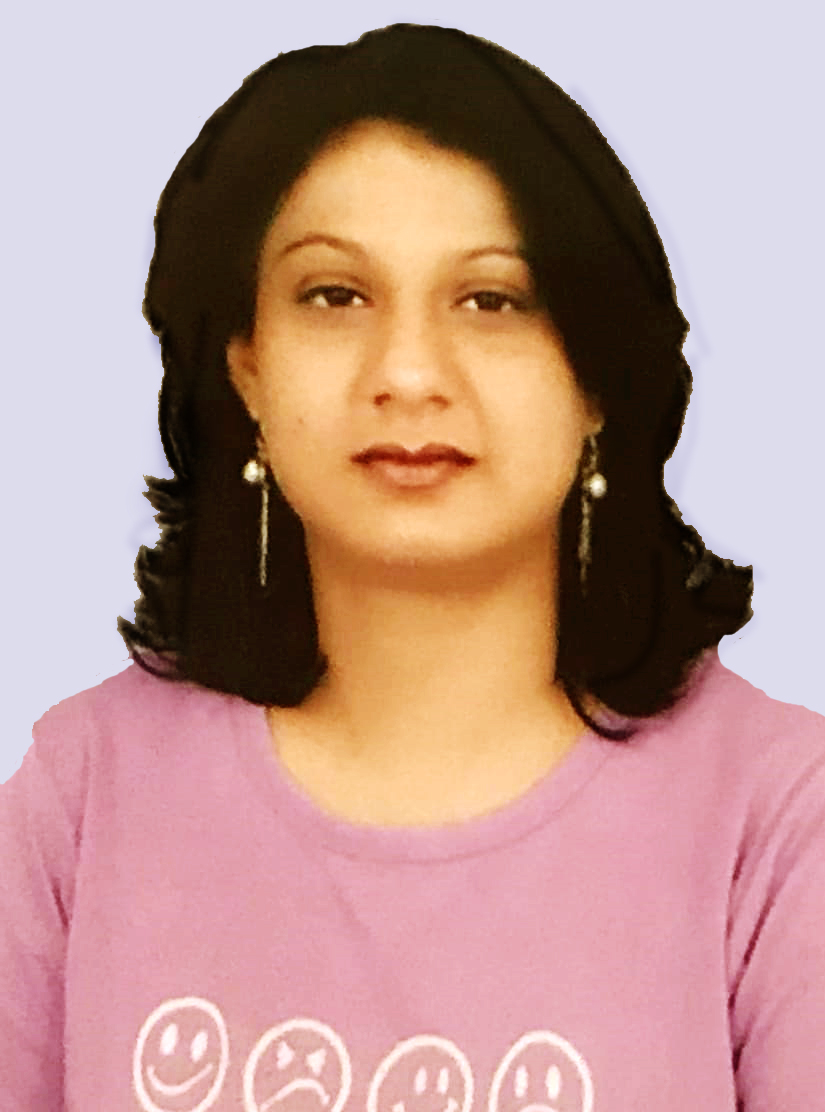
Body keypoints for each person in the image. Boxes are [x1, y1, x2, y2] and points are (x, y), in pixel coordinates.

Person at [2, 23, 823, 1110]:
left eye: (491, 300)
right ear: (246, 366)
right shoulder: (84, 796)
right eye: (334, 295)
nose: (407, 372)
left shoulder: (778, 817)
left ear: (597, 378)